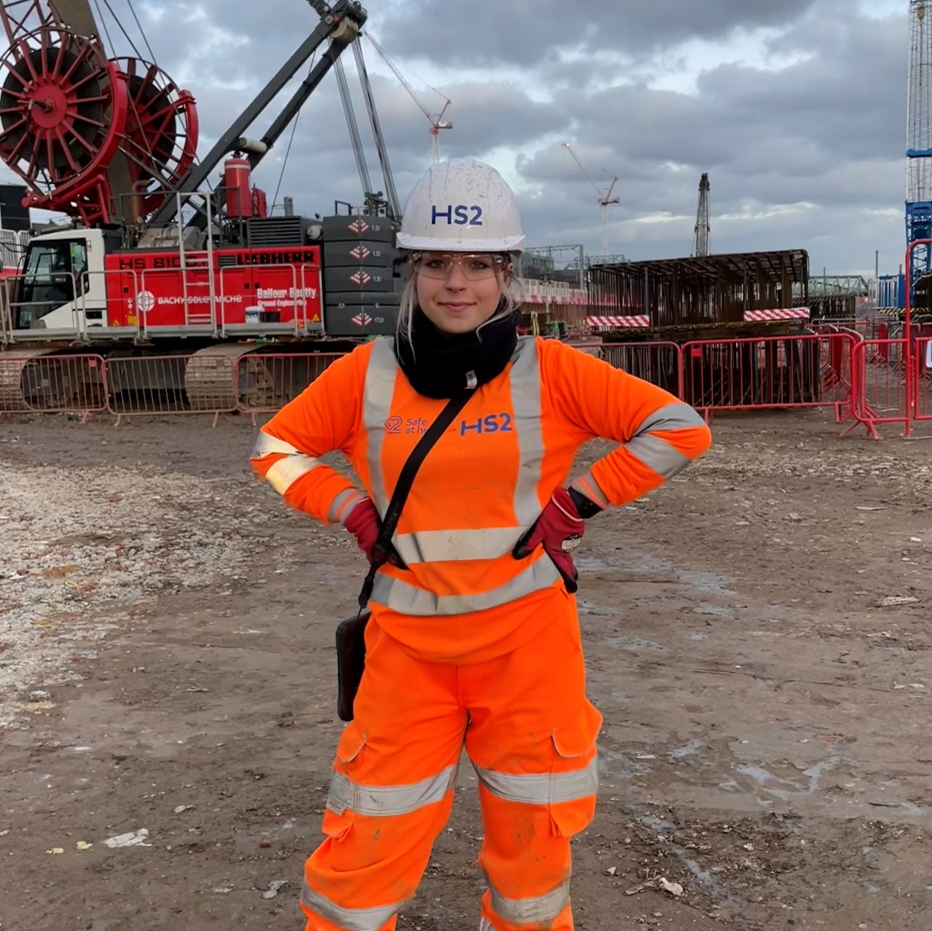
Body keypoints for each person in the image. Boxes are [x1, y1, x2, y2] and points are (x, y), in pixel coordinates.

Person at [250, 158, 712, 931]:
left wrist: (579, 501)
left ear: (507, 273)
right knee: (360, 860)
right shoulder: (364, 376)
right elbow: (275, 447)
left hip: (528, 658)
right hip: (406, 659)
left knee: (532, 862)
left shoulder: (555, 372)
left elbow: (681, 428)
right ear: (412, 271)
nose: (455, 283)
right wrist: (352, 510)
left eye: (477, 264)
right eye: (436, 263)